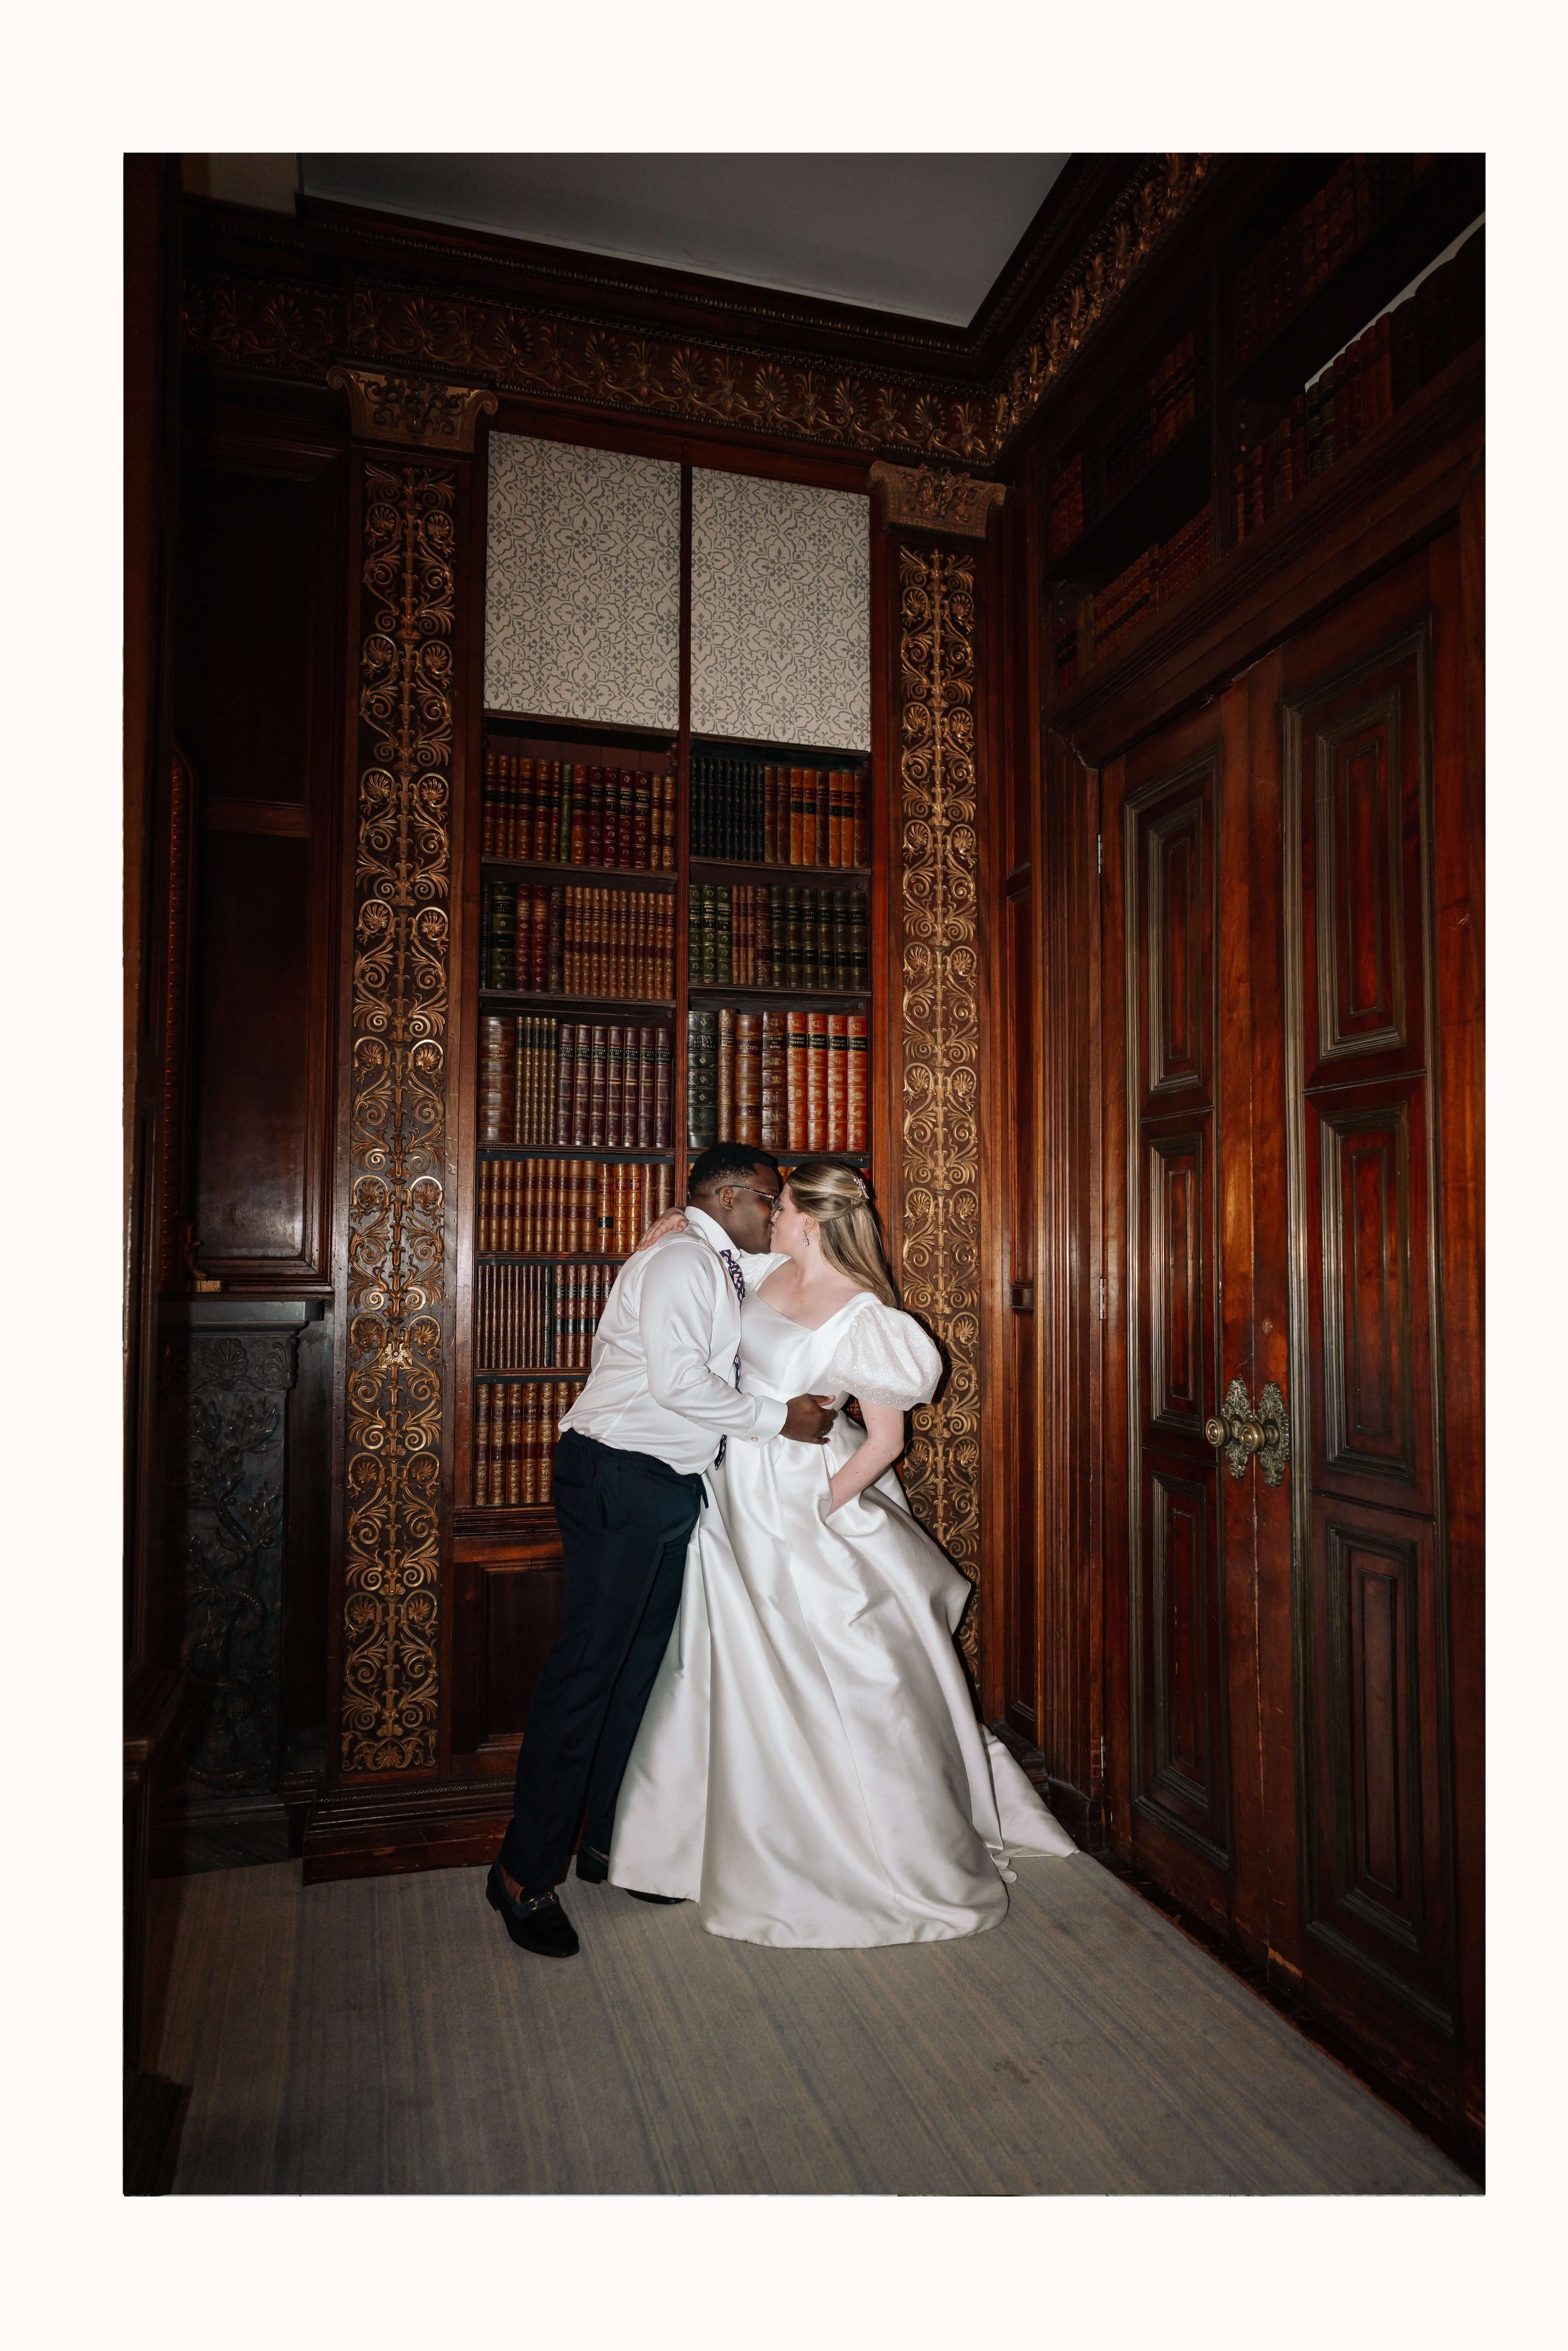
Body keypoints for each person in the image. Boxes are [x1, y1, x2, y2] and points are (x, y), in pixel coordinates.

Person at [609, 1159, 1076, 1948]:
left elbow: (886, 1439)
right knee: (729, 1661)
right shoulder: (764, 1269)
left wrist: (820, 1510)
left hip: (807, 1499)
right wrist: (676, 1221)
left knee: (838, 1670)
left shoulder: (865, 1315)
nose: (769, 1214)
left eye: (781, 1205)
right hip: (732, 1489)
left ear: (810, 1221)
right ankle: (700, 1842)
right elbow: (709, 1246)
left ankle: (866, 1852)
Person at [486, 1144, 837, 1960]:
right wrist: (784, 1419)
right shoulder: (682, 1261)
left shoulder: (704, 1254)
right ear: (731, 1194)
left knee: (634, 1677)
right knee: (586, 1677)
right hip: (619, 1478)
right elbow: (682, 1384)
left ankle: (614, 1843)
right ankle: (521, 1875)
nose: (775, 1215)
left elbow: (728, 1329)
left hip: (660, 1483)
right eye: (769, 1199)